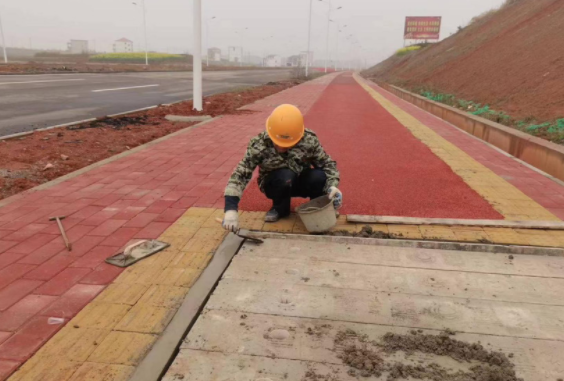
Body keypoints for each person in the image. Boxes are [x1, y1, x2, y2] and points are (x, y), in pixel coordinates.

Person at [222, 104, 342, 232]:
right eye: (278, 143)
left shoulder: (308, 141)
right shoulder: (260, 145)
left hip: (300, 180)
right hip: (275, 183)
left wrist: (332, 186)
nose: (282, 148)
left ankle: (319, 208)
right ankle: (280, 208)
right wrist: (230, 209)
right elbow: (241, 173)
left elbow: (327, 165)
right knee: (285, 176)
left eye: (289, 144)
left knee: (319, 176)